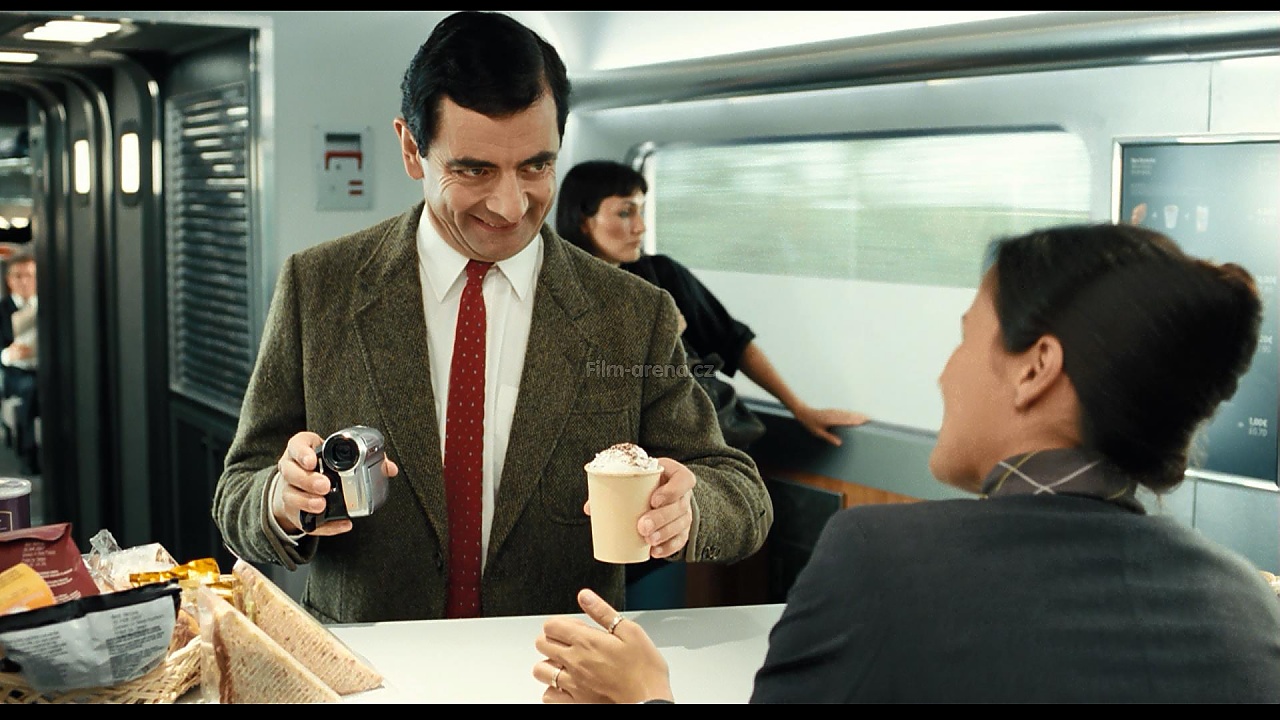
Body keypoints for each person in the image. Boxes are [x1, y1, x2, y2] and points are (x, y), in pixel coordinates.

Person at [533, 222, 1280, 703]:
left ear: (1036, 369)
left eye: (966, 338)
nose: (945, 373)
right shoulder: (1246, 604)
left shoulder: (881, 559)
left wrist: (645, 695)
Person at [212, 11, 772, 625]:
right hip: (368, 658)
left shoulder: (632, 312)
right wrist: (280, 498)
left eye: (536, 166)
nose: (510, 206)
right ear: (411, 149)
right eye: (474, 169)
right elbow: (238, 490)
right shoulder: (319, 287)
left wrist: (690, 509)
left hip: (561, 663)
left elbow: (739, 492)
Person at [556, 160, 870, 448]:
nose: (640, 226)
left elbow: (733, 342)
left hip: (699, 434)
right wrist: (661, 337)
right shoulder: (558, 291)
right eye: (625, 213)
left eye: (641, 211)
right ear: (583, 221)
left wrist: (800, 409)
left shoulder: (661, 274)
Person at [1, 252, 39, 472]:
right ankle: (29, 454)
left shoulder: (50, 306)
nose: (25, 281)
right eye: (19, 276)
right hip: (17, 373)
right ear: (9, 280)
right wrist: (8, 354)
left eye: (30, 275)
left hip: (47, 370)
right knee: (29, 389)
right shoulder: (2, 310)